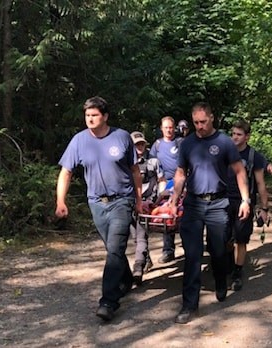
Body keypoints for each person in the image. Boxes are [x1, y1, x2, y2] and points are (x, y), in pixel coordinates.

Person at [55, 96, 142, 322]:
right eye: (87, 115)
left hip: (122, 200)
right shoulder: (78, 141)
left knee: (115, 247)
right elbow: (66, 172)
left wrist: (139, 199)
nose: (90, 119)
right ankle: (126, 278)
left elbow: (134, 171)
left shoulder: (122, 137)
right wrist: (60, 201)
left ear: (105, 116)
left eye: (94, 115)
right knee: (112, 249)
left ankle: (108, 302)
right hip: (96, 202)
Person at [169, 102, 251, 324]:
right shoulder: (187, 144)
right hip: (194, 204)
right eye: (196, 122)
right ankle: (189, 305)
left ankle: (221, 279)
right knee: (192, 256)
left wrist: (245, 199)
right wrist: (175, 200)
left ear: (212, 118)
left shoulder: (224, 142)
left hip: (218, 203)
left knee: (218, 251)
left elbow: (239, 170)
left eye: (203, 122)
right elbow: (180, 174)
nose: (199, 126)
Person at [227, 120, 270, 291]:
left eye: (239, 134)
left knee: (241, 239)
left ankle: (237, 272)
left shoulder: (254, 157)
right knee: (224, 238)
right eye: (233, 134)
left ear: (247, 137)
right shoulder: (225, 153)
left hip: (244, 202)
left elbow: (260, 184)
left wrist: (264, 208)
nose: (235, 137)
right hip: (223, 201)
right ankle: (228, 264)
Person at [129, 131, 166, 285]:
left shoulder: (153, 162)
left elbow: (161, 179)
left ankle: (138, 268)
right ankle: (146, 260)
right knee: (136, 238)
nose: (140, 146)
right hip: (130, 203)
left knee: (141, 236)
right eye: (136, 144)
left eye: (142, 143)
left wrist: (161, 196)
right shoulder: (125, 163)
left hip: (148, 204)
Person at [149, 116, 183, 264]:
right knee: (166, 216)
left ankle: (192, 248)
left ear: (174, 127)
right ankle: (168, 251)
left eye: (171, 127)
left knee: (183, 215)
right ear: (161, 128)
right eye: (166, 127)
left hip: (182, 182)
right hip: (164, 183)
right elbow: (151, 165)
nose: (168, 130)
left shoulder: (181, 143)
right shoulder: (157, 145)